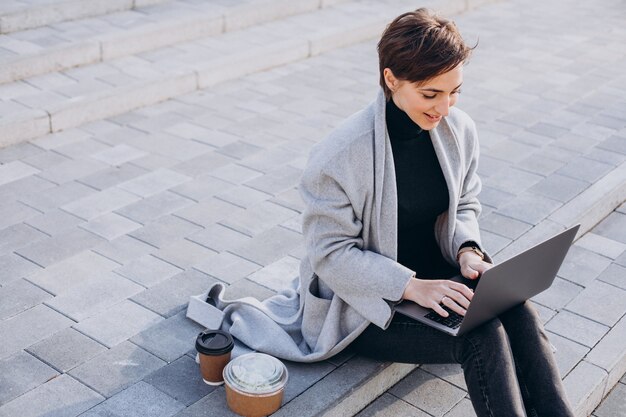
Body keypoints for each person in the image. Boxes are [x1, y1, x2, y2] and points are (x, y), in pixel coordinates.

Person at [196, 8, 574, 417]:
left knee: (517, 309)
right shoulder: (341, 154)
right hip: (368, 306)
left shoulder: (459, 129)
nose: (445, 107)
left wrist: (467, 248)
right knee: (483, 336)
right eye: (431, 94)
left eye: (455, 92)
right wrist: (411, 286)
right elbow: (329, 254)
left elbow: (466, 200)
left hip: (440, 284)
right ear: (391, 79)